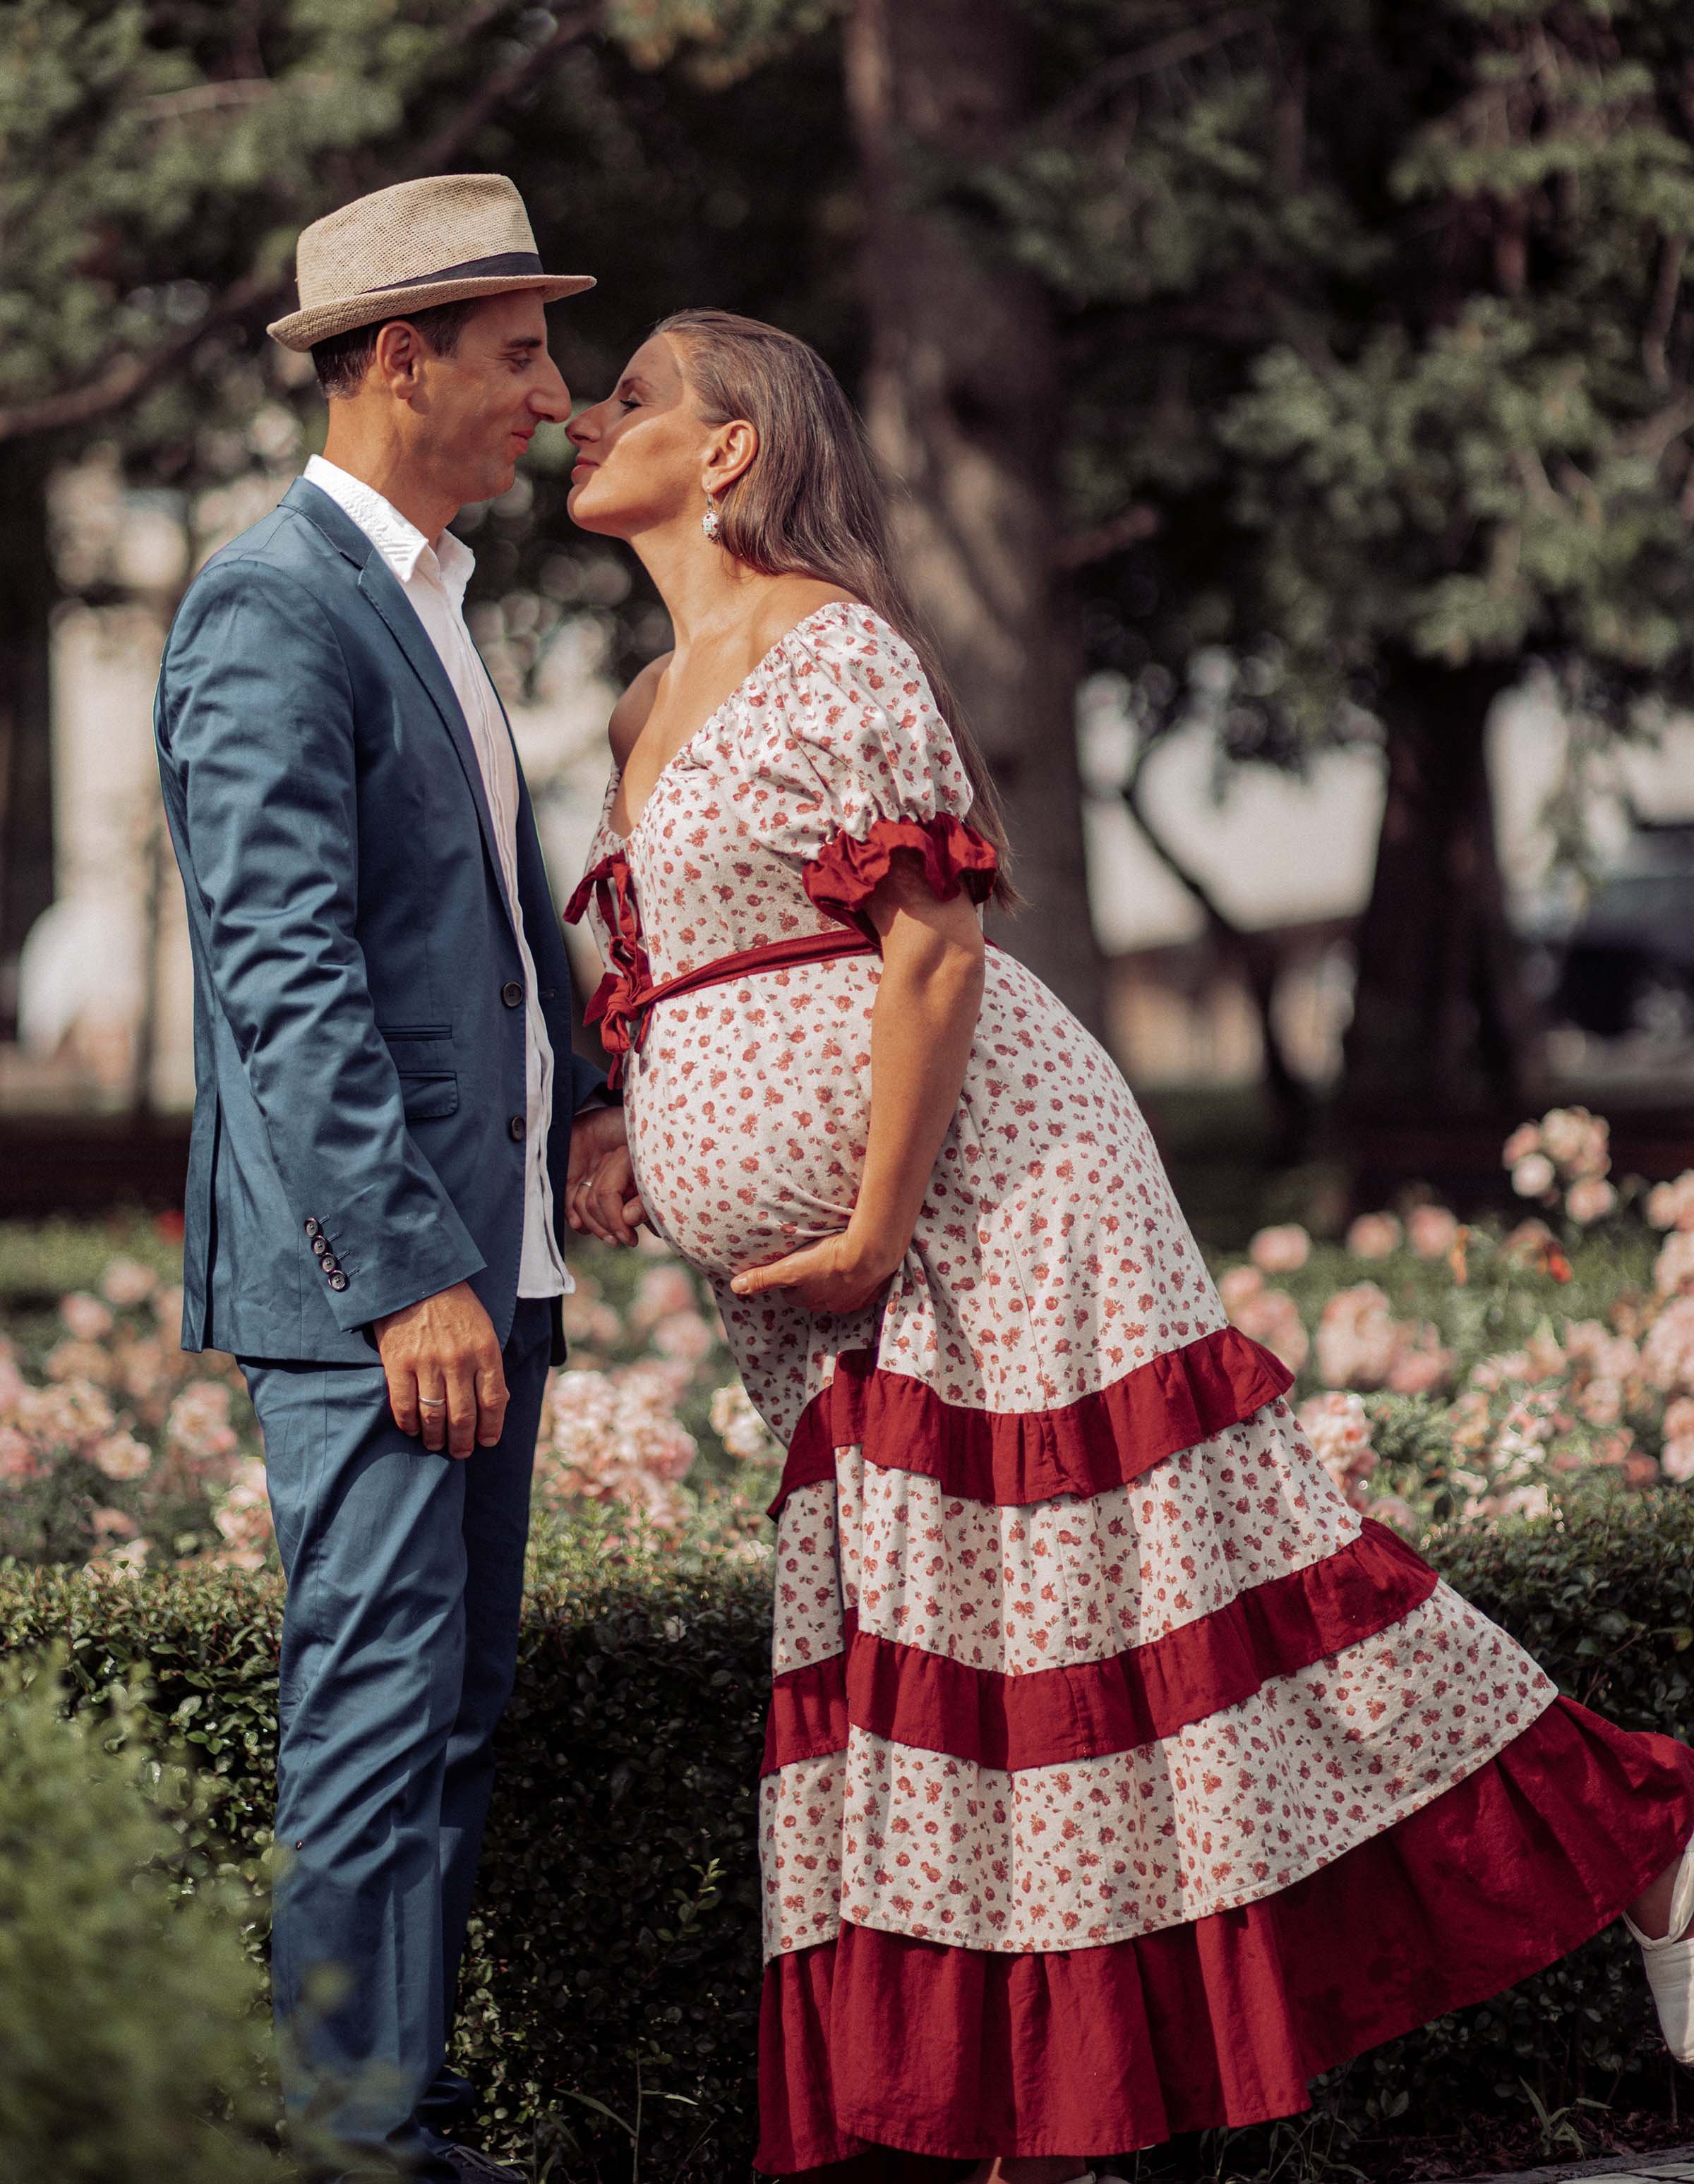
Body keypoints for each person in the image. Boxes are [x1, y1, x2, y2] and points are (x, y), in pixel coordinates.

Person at [560, 307, 1694, 2181]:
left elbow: (926, 950)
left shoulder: (832, 651)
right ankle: (1009, 2119)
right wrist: (632, 1118)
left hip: (997, 1198)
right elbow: (689, 970)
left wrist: (866, 1220)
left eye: (629, 397)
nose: (584, 422)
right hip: (861, 1273)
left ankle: (1640, 1824)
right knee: (943, 1654)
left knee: (1190, 1592)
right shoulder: (638, 699)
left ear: (735, 446)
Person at [153, 174, 641, 2183]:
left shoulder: (432, 597)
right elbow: (289, 977)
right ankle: (354, 2155)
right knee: (374, 1713)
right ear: (398, 357)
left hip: (481, 1251)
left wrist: (593, 1095)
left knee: (451, 1710)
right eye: (522, 350)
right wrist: (403, 1274)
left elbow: (496, 914)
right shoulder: (271, 605)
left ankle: (404, 2125)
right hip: (381, 1283)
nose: (556, 388)